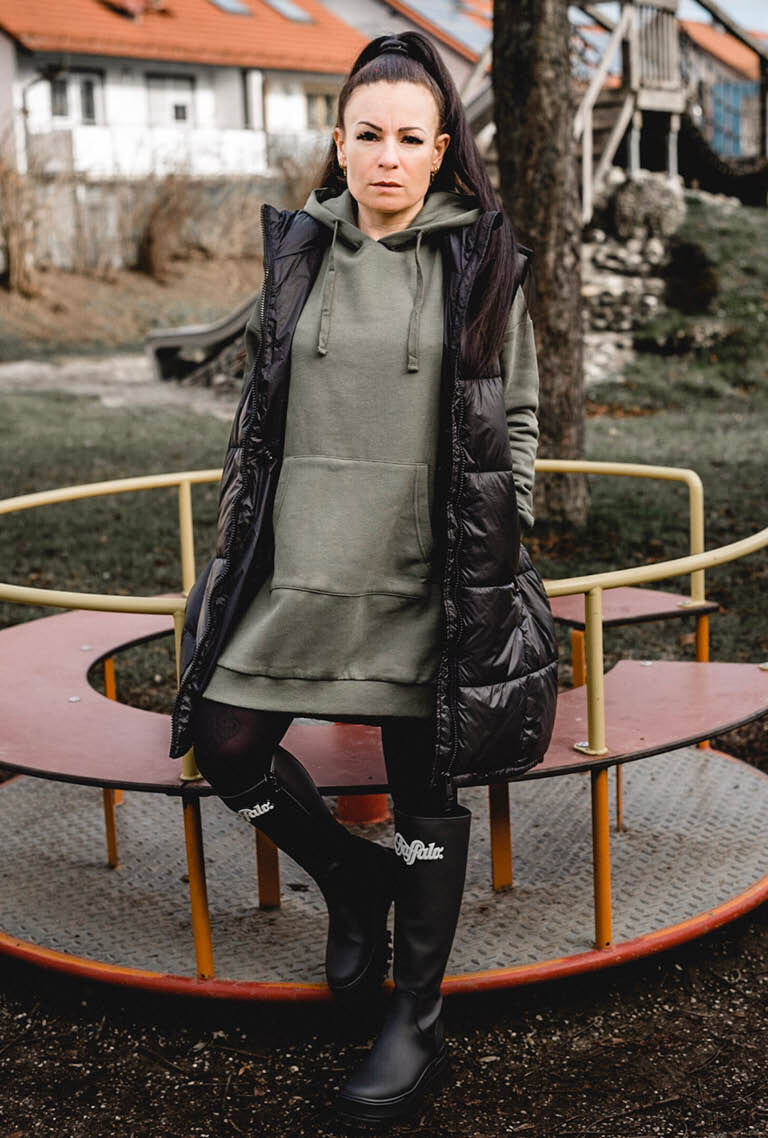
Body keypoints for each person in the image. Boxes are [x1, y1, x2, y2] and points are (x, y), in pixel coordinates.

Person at [170, 31, 558, 1123]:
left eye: (410, 138)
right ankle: (352, 876)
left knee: (427, 800)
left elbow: (518, 420)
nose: (389, 156)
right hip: (298, 572)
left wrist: (500, 532)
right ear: (339, 144)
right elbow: (261, 413)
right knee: (227, 744)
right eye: (369, 135)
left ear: (442, 151)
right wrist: (241, 540)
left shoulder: (482, 265)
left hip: (426, 581)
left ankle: (416, 1022)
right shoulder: (298, 254)